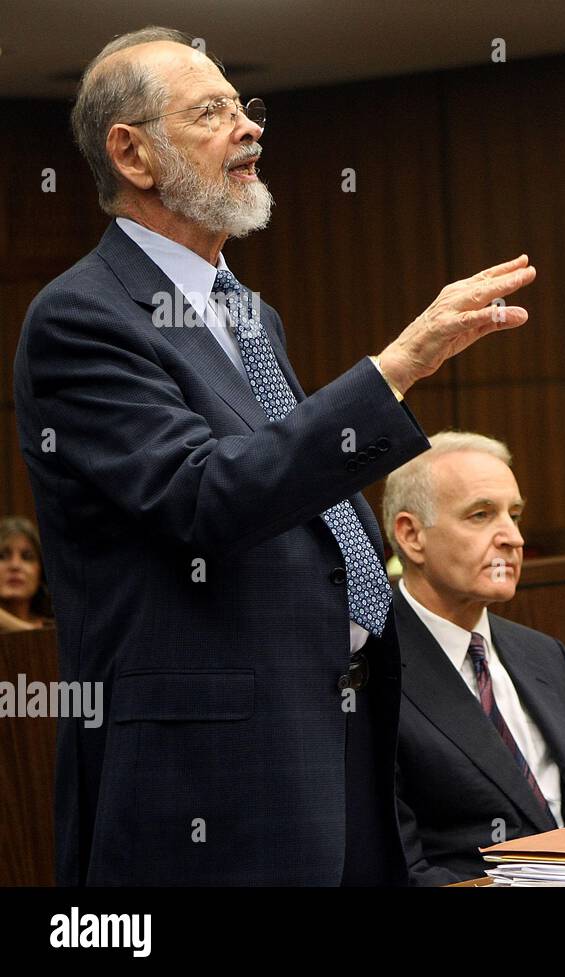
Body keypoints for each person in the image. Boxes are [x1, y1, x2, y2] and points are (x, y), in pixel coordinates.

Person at [13, 27, 536, 885]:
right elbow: (203, 499)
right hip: (208, 776)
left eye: (244, 107)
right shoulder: (81, 319)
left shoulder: (247, 313)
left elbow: (292, 491)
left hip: (334, 736)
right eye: (213, 112)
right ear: (132, 154)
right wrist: (399, 365)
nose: (250, 129)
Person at [383, 432, 565, 884]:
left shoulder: (545, 655)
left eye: (515, 515)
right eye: (481, 515)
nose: (513, 538)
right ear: (411, 536)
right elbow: (400, 869)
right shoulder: (371, 672)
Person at [0, 516, 54, 632]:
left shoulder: (62, 631)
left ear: (41, 572)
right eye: (2, 556)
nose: (15, 565)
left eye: (27, 557)